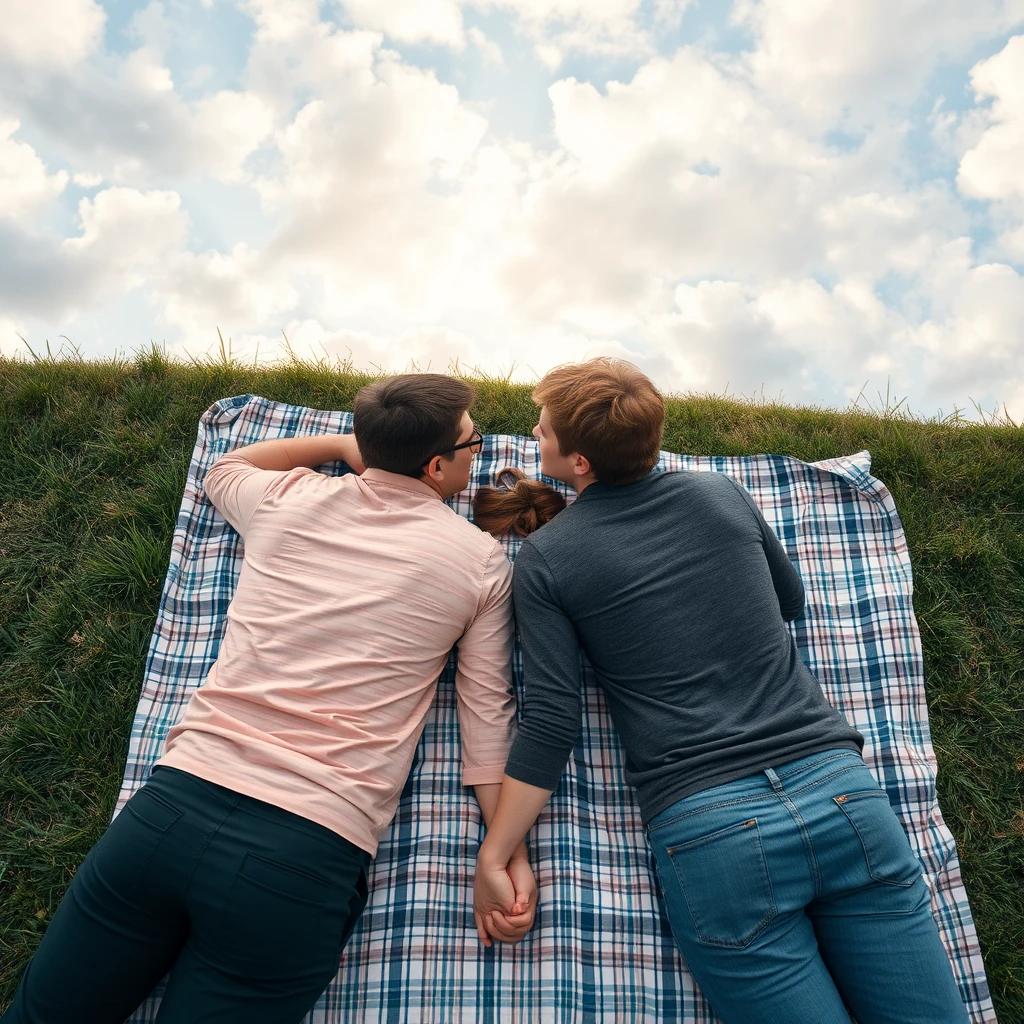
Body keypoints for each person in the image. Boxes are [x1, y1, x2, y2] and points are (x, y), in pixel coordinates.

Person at [2, 373, 535, 1024]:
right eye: (472, 441)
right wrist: (503, 855)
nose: (478, 451)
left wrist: (341, 447)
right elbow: (487, 726)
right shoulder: (481, 563)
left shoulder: (287, 497)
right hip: (302, 854)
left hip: (166, 814)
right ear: (435, 465)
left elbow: (226, 466)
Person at [470, 358, 969, 1023]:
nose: (534, 429)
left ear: (581, 463)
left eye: (546, 427)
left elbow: (552, 725)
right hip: (841, 793)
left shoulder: (548, 559)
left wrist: (496, 853)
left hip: (716, 834)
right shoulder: (719, 491)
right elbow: (789, 599)